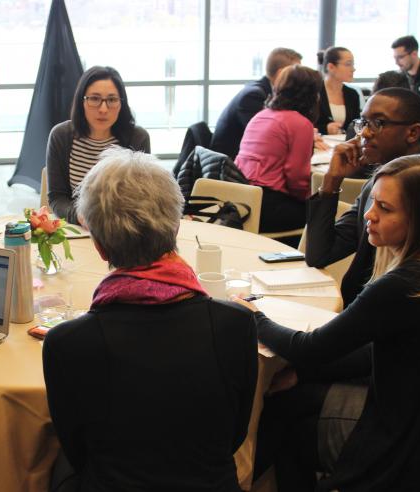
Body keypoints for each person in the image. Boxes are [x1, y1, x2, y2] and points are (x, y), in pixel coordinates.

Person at [235, 155, 420, 491]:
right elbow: (374, 349)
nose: (370, 215)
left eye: (385, 208)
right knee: (290, 396)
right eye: (372, 202)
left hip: (402, 441)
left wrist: (253, 316)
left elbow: (309, 348)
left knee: (280, 421)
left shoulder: (403, 284)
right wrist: (303, 373)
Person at [43, 147, 258, 491]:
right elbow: (233, 436)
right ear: (175, 228)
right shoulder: (235, 324)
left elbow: (78, 450)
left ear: (98, 246)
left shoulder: (67, 342)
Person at [306, 88, 420, 307]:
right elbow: (319, 255)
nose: (364, 134)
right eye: (363, 122)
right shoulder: (375, 184)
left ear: (413, 132)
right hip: (359, 312)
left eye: (378, 123)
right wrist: (332, 180)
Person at [46, 66, 150, 225]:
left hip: (123, 229)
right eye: (94, 99)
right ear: (82, 102)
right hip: (79, 227)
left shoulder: (137, 138)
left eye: (112, 100)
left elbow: (142, 196)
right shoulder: (61, 136)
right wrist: (80, 217)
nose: (103, 109)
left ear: (121, 103)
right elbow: (57, 197)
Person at [235, 64, 323, 236]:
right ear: (311, 94)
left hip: (241, 199)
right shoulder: (300, 123)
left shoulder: (262, 115)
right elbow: (296, 178)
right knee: (328, 213)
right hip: (268, 205)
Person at [211, 47, 302, 159]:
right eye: (297, 73)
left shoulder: (267, 91)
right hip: (232, 165)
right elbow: (265, 139)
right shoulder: (253, 96)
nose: (301, 78)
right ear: (281, 73)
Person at [315, 47, 360, 135]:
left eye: (353, 64)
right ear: (331, 67)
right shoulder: (314, 92)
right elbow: (304, 124)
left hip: (345, 146)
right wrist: (325, 129)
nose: (353, 69)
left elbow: (356, 125)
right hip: (320, 145)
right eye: (348, 64)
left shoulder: (352, 94)